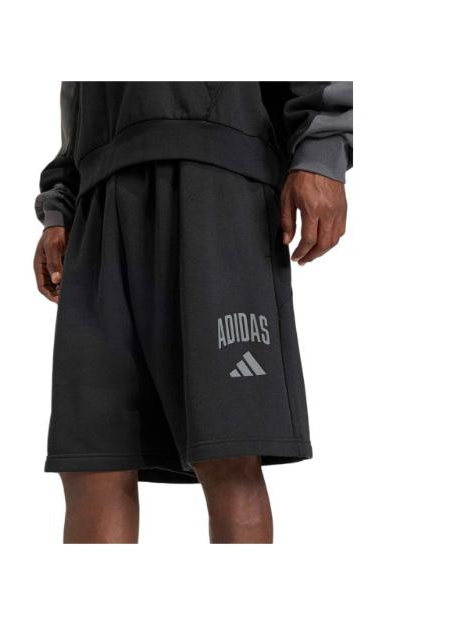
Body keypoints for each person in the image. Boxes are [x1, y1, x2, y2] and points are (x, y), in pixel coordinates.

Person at [33, 82, 353, 543]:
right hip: (97, 202)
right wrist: (61, 206)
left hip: (216, 177)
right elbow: (78, 104)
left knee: (228, 450)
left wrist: (321, 155)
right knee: (93, 461)